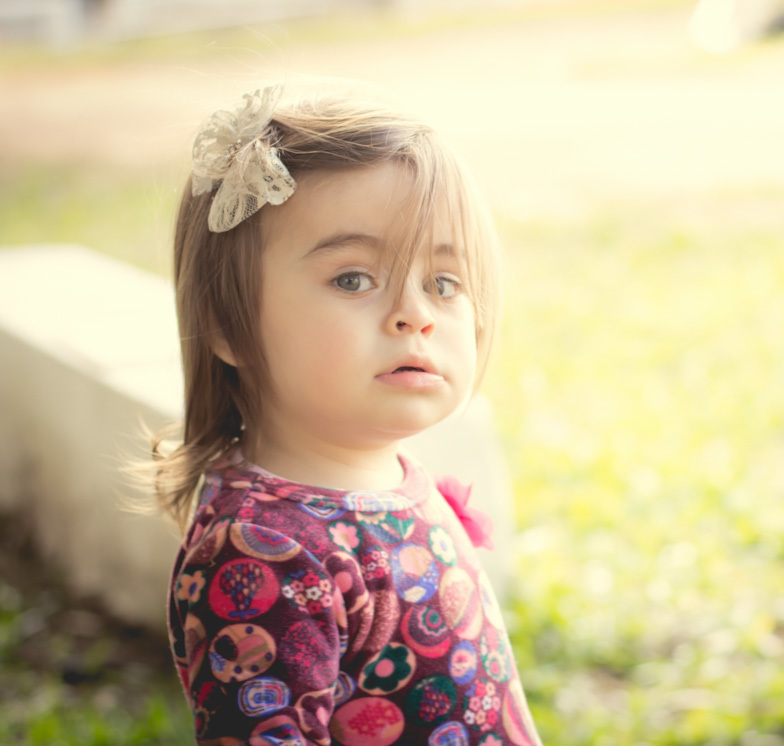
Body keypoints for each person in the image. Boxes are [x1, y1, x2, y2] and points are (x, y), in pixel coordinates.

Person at [150, 82, 542, 745]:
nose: (415, 314)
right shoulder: (265, 554)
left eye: (444, 283)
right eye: (353, 279)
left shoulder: (385, 474)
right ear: (226, 324)